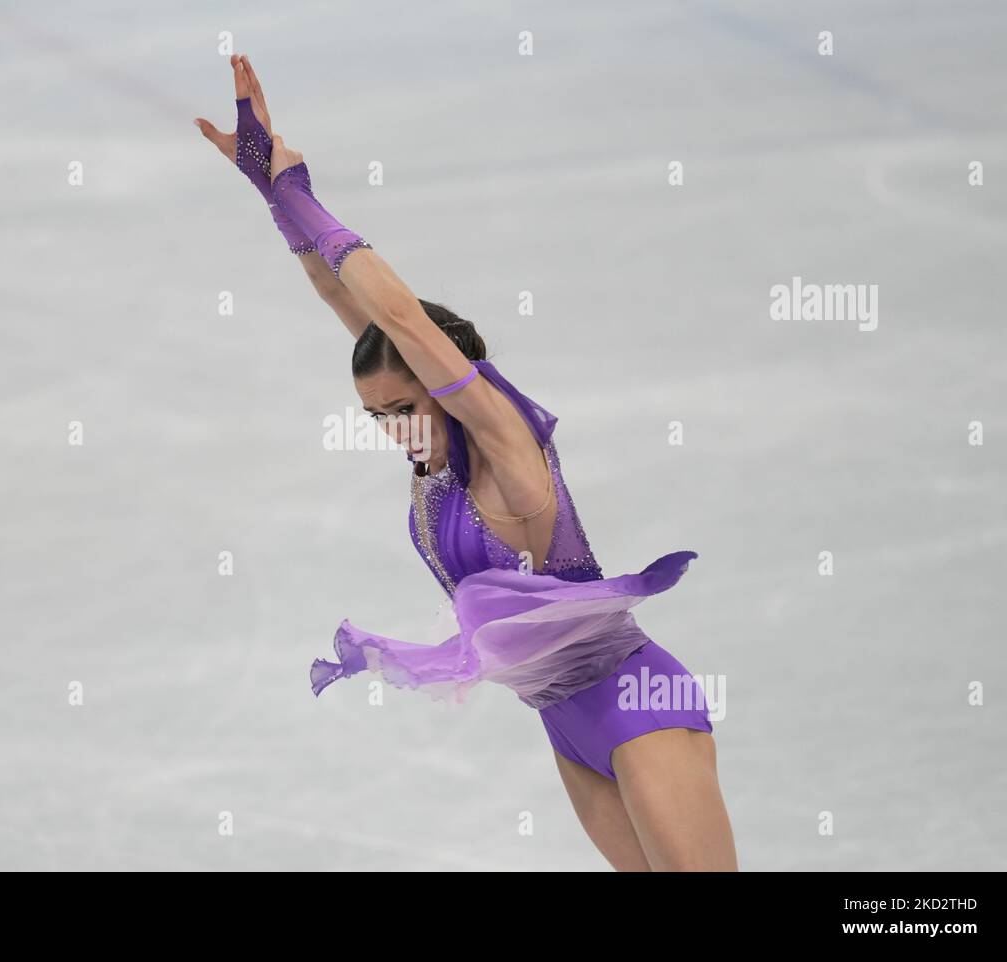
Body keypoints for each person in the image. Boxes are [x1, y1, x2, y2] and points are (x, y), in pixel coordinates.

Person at [197, 54, 737, 871]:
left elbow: (401, 317)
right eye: (374, 417)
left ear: (450, 388)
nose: (392, 431)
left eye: (403, 408)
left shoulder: (506, 443)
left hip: (635, 702)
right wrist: (275, 193)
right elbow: (347, 305)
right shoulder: (435, 459)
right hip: (564, 718)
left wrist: (304, 194)